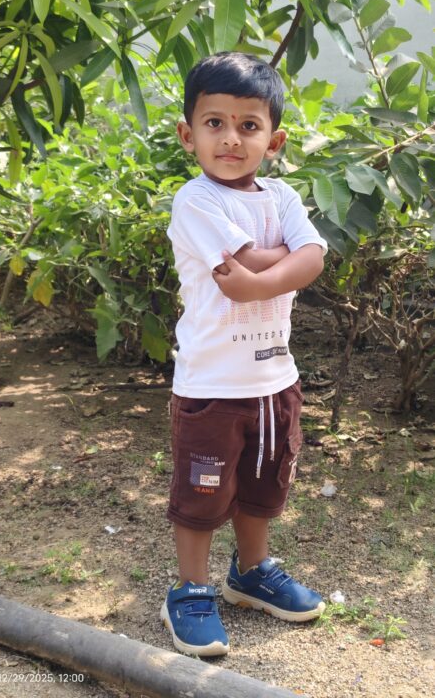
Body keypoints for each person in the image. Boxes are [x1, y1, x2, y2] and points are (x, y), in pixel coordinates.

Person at [161, 52, 327, 657]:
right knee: (202, 493)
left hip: (275, 380)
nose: (231, 138)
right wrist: (283, 260)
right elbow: (272, 258)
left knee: (264, 484)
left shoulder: (281, 195)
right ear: (189, 134)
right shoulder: (196, 201)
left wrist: (258, 282)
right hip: (212, 386)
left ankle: (250, 573)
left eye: (249, 125)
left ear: (273, 141)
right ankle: (190, 589)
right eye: (215, 123)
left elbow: (312, 257)